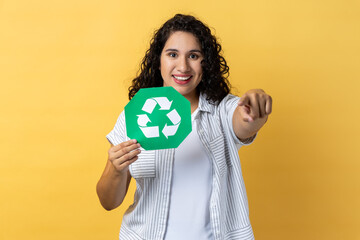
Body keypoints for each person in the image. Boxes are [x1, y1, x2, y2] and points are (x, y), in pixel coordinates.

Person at [96, 14, 272, 240]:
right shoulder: (136, 116)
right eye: (172, 54)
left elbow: (244, 122)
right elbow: (108, 202)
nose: (183, 66)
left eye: (194, 56)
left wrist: (253, 109)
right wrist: (115, 168)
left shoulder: (222, 110)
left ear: (205, 62)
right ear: (158, 60)